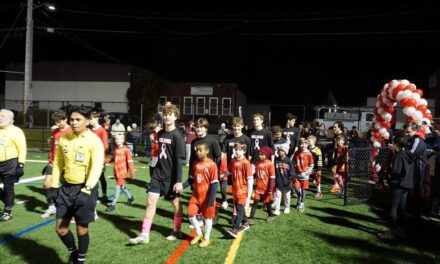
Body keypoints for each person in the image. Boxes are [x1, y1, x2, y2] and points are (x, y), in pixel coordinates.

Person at [51, 107, 104, 264]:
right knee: (60, 228)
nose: (74, 122)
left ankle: (80, 260)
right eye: (72, 119)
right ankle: (73, 252)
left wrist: (87, 189)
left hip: (85, 188)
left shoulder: (94, 141)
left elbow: (97, 167)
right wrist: (54, 185)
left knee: (81, 228)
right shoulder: (64, 139)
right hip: (66, 188)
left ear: (87, 121)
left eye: (78, 119)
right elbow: (57, 163)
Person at [129, 103, 185, 245]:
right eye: (165, 114)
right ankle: (144, 234)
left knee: (175, 203)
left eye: (170, 114)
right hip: (157, 174)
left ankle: (177, 229)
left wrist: (178, 181)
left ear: (176, 117)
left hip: (171, 177)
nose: (167, 116)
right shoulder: (160, 133)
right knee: (150, 201)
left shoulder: (178, 136)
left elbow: (178, 161)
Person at [378, 131, 414, 240]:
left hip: (398, 184)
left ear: (396, 144)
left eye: (393, 142)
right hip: (407, 184)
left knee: (392, 209)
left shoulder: (399, 155)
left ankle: (391, 231)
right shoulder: (408, 153)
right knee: (401, 208)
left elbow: (396, 172)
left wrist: (388, 173)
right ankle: (401, 230)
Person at [41, 110, 72, 218]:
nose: (57, 124)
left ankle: (66, 207)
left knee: (67, 188)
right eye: (56, 122)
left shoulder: (71, 131)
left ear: (65, 119)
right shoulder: (56, 131)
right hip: (53, 162)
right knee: (47, 183)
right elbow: (54, 146)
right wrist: (50, 155)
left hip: (67, 164)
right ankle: (51, 206)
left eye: (59, 121)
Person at [187, 142, 218, 248]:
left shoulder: (212, 165)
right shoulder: (195, 164)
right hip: (196, 195)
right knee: (190, 214)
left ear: (207, 151)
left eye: (200, 150)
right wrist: (181, 186)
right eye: (197, 150)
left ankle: (207, 238)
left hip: (207, 197)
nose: (198, 152)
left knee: (207, 218)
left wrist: (211, 199)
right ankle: (199, 234)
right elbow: (191, 180)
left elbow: (214, 183)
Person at [0, 109, 27, 221]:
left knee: (8, 187)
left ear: (11, 120)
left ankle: (8, 212)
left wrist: (20, 165)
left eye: (3, 116)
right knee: (6, 192)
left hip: (10, 163)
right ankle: (7, 200)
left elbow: (22, 148)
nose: (0, 118)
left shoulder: (17, 131)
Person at [221, 117, 251, 209]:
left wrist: (247, 168)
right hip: (229, 167)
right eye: (234, 126)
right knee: (223, 185)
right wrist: (221, 164)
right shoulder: (227, 138)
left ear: (242, 126)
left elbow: (249, 155)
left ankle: (242, 202)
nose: (236, 128)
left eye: (238, 126)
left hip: (240, 169)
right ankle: (224, 201)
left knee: (238, 188)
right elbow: (223, 152)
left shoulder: (246, 139)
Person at [227, 141, 253, 238]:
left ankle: (235, 229)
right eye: (236, 149)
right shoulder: (233, 160)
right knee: (240, 208)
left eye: (239, 150)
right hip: (235, 189)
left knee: (239, 210)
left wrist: (249, 195)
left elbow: (250, 180)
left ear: (244, 151)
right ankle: (245, 223)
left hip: (242, 191)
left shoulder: (246, 163)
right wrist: (222, 175)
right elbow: (229, 171)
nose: (237, 152)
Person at [105, 134, 136, 212]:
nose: (117, 141)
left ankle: (113, 205)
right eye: (116, 140)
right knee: (122, 186)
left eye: (119, 139)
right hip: (116, 172)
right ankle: (130, 197)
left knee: (117, 188)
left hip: (122, 173)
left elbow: (130, 162)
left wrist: (132, 174)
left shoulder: (126, 150)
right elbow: (113, 159)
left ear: (123, 140)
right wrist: (105, 161)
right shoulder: (116, 149)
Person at [248, 146, 275, 224]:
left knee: (267, 203)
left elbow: (272, 178)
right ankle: (251, 218)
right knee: (255, 203)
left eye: (262, 154)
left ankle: (270, 215)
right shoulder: (258, 163)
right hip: (258, 188)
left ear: (267, 155)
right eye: (259, 154)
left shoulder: (270, 164)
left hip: (266, 188)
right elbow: (256, 175)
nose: (260, 156)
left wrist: (270, 189)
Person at [89, 111, 109, 203]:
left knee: (100, 177)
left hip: (99, 159)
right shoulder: (89, 130)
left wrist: (100, 159)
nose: (89, 121)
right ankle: (92, 195)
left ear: (96, 118)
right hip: (89, 158)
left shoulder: (102, 131)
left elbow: (105, 146)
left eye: (91, 119)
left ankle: (103, 195)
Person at [293, 138, 314, 212]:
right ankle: (299, 198)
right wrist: (294, 169)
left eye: (305, 144)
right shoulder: (297, 152)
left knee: (303, 190)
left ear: (307, 145)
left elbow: (311, 165)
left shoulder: (309, 154)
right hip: (297, 174)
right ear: (299, 144)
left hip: (304, 176)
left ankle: (301, 203)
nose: (303, 145)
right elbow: (294, 162)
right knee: (296, 188)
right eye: (301, 144)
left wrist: (307, 172)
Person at [273, 144, 295, 215]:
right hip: (278, 181)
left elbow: (292, 172)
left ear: (285, 152)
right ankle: (277, 209)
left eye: (282, 150)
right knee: (277, 196)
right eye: (279, 150)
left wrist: (290, 179)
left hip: (287, 182)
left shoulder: (288, 161)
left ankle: (287, 207)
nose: (280, 152)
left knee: (287, 196)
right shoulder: (276, 160)